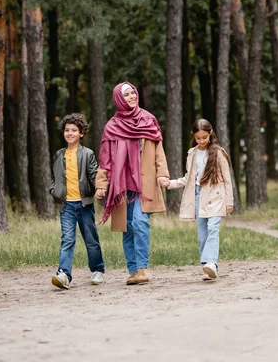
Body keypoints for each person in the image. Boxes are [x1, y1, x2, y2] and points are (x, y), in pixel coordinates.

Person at [95, 82, 169, 285]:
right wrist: (102, 183)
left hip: (144, 183)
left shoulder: (148, 120)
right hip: (122, 185)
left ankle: (143, 269)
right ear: (119, 99)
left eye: (133, 93)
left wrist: (162, 173)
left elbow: (159, 150)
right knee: (127, 227)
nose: (132, 97)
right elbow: (106, 159)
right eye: (126, 95)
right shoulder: (112, 126)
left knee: (139, 221)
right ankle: (133, 271)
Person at [160, 119, 233, 280]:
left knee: (213, 229)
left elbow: (227, 179)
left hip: (216, 195)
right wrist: (170, 183)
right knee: (202, 234)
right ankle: (207, 266)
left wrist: (229, 201)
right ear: (194, 136)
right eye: (198, 138)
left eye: (204, 137)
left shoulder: (219, 153)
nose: (201, 141)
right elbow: (189, 178)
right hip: (199, 195)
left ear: (210, 133)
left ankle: (212, 263)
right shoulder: (192, 153)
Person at [49, 113, 105, 290]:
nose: (70, 133)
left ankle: (97, 270)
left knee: (91, 239)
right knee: (67, 239)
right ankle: (64, 274)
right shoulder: (59, 154)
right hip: (66, 205)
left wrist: (99, 188)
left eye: (74, 130)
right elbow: (54, 177)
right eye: (67, 130)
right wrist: (54, 190)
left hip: (84, 204)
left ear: (81, 133)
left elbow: (94, 174)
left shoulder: (87, 154)